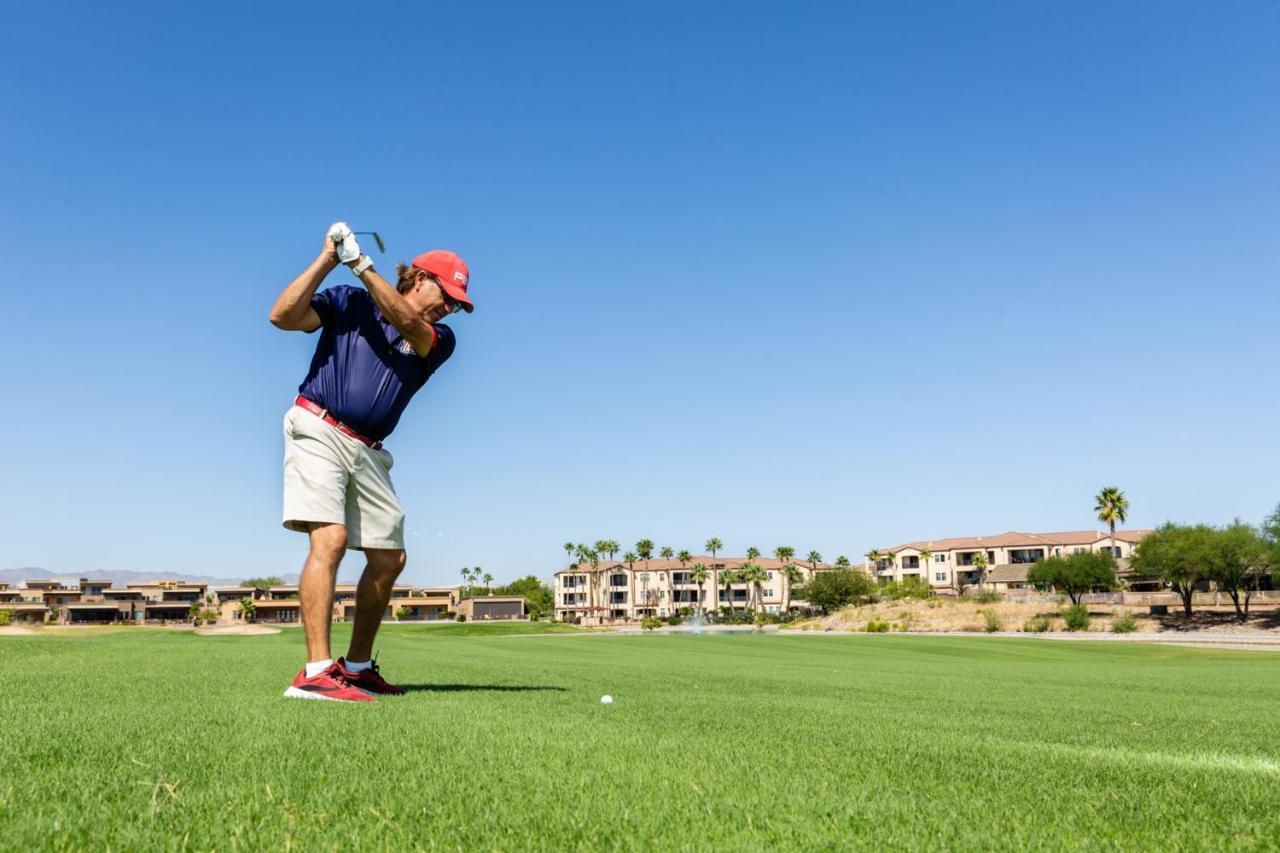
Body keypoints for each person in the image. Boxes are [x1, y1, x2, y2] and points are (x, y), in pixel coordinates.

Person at [267, 222, 473, 702]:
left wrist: (362, 264)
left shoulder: (438, 338)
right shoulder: (348, 301)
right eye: (446, 294)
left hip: (370, 450)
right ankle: (316, 671)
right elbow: (281, 316)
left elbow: (408, 324)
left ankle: (356, 667)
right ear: (418, 277)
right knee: (331, 537)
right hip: (318, 426)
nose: (450, 308)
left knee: (389, 558)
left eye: (456, 305)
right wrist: (328, 259)